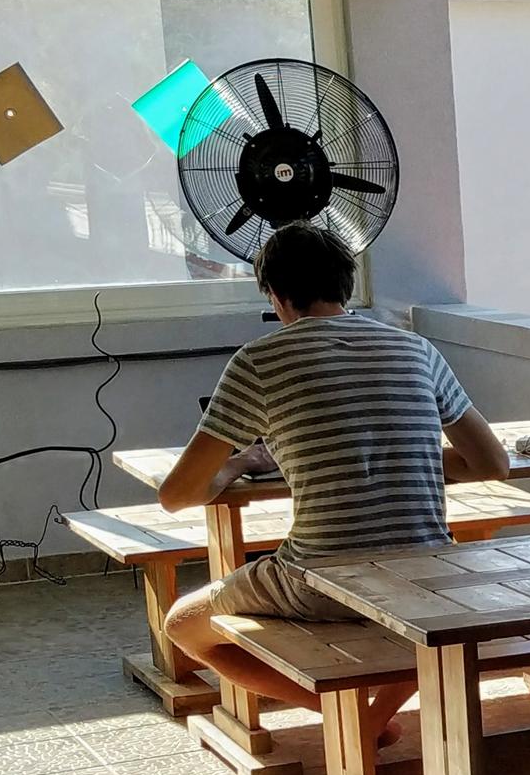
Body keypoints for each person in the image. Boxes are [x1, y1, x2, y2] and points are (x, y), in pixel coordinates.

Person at [159, 223, 511, 744]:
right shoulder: (416, 350)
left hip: (320, 583)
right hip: (430, 575)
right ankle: (372, 719)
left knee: (182, 624)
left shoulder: (258, 361)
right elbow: (491, 464)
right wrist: (399, 454)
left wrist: (238, 464)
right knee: (427, 632)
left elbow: (177, 495)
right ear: (346, 285)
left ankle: (354, 722)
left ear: (277, 296)